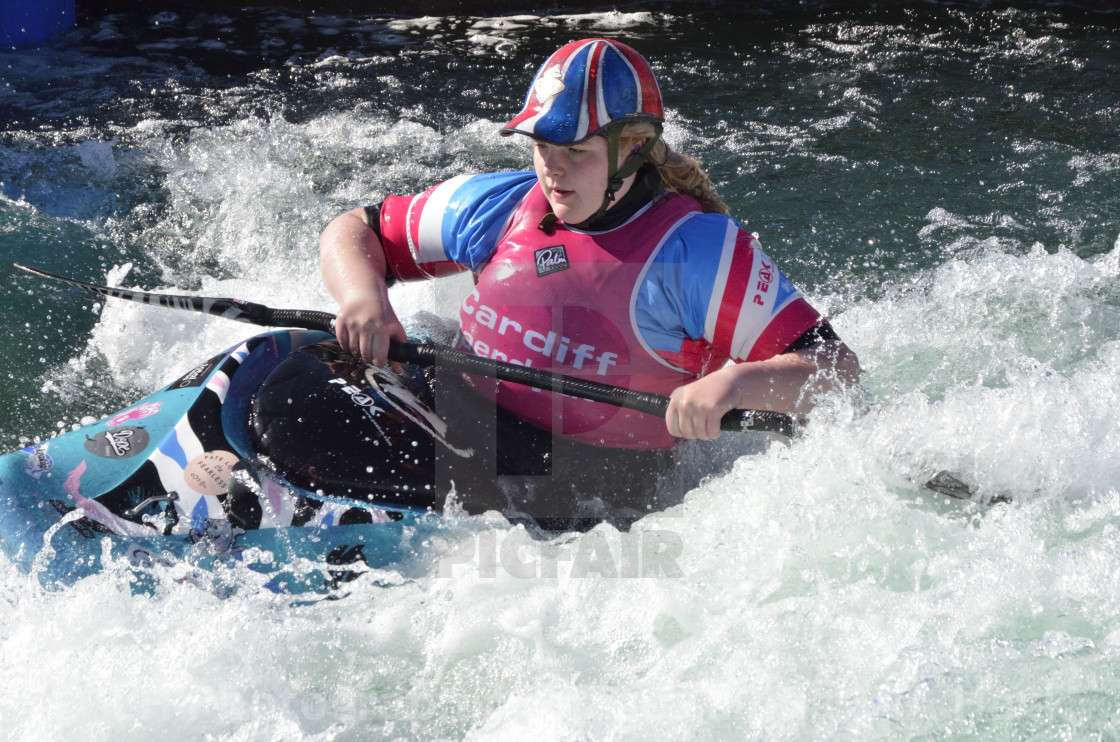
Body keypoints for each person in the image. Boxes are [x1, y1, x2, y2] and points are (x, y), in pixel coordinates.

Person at [318, 38, 860, 528]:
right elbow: (355, 230)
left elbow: (836, 370)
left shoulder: (697, 254)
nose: (552, 170)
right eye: (542, 146)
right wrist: (365, 297)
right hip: (460, 420)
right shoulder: (504, 203)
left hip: (595, 492)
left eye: (576, 151)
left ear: (632, 147)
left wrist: (733, 385)